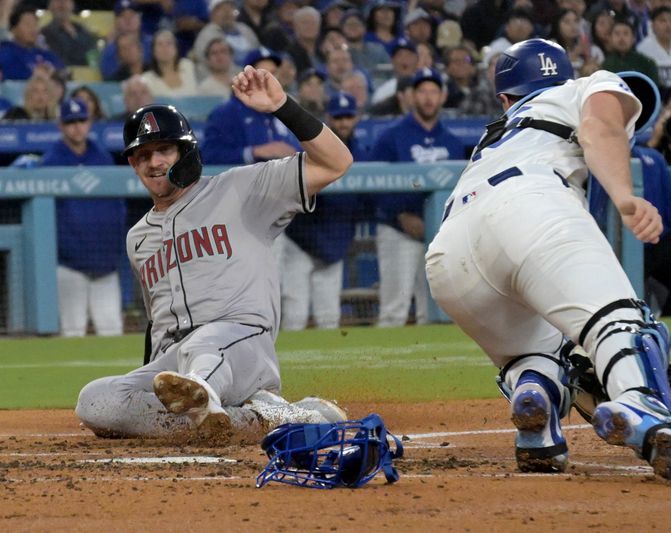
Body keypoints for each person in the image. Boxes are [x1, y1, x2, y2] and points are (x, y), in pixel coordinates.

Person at [424, 39, 671, 484]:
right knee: (621, 323)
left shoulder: (497, 133)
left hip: (450, 251)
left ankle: (537, 408)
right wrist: (625, 197)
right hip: (532, 202)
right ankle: (642, 402)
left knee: (535, 351)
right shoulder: (587, 85)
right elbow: (600, 127)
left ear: (505, 98)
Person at [74, 65, 354, 443]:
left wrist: (281, 106)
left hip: (239, 342)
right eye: (142, 155)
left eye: (164, 150)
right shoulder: (138, 237)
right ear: (132, 165)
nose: (154, 162)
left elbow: (336, 162)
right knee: (95, 401)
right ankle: (272, 417)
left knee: (205, 346)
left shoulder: (242, 188)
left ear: (185, 150)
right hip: (177, 357)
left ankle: (211, 398)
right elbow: (157, 323)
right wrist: (152, 384)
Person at [369, 68, 463, 327]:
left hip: (440, 234)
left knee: (435, 307)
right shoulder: (391, 136)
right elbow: (372, 185)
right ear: (411, 96)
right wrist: (400, 216)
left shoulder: (452, 141)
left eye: (434, 91)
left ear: (443, 96)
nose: (428, 98)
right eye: (422, 91)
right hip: (398, 231)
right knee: (394, 308)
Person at [280, 92, 365, 330]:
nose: (344, 123)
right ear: (329, 118)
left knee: (329, 316)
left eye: (348, 117)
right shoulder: (312, 148)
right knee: (294, 312)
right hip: (301, 240)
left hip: (335, 242)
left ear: (356, 118)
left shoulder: (362, 152)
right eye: (339, 118)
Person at [40, 98, 125, 337]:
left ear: (90, 122)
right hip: (69, 266)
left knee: (112, 332)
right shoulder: (51, 161)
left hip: (105, 264)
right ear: (61, 125)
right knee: (72, 331)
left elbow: (117, 208)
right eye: (70, 122)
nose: (77, 127)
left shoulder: (103, 157)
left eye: (81, 121)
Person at [590, 145, 671, 316]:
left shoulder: (654, 158)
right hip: (614, 242)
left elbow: (670, 200)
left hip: (656, 240)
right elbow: (595, 204)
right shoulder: (599, 158)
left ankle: (670, 324)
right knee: (620, 290)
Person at [202, 47, 300, 165]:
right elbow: (208, 154)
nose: (270, 78)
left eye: (273, 73)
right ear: (247, 76)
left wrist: (296, 153)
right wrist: (254, 152)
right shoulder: (225, 113)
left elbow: (306, 149)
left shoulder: (285, 110)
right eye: (262, 72)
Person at [0, 5, 66, 81]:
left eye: (35, 24)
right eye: (28, 24)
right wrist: (34, 73)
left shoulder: (44, 53)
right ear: (13, 29)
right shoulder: (5, 51)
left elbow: (63, 72)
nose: (33, 29)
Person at [601, 19, 660, 86]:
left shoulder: (647, 63)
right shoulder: (606, 64)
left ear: (633, 38)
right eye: (617, 34)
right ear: (611, 38)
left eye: (626, 33)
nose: (621, 38)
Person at [141, 29, 199, 97]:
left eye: (169, 43)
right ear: (153, 51)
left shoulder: (188, 65)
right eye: (160, 44)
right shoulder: (147, 79)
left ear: (176, 48)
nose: (165, 48)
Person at [41, 0, 99, 67]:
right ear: (50, 6)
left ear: (72, 5)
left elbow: (94, 60)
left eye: (66, 0)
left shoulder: (84, 32)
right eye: (57, 0)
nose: (62, 3)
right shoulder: (43, 34)